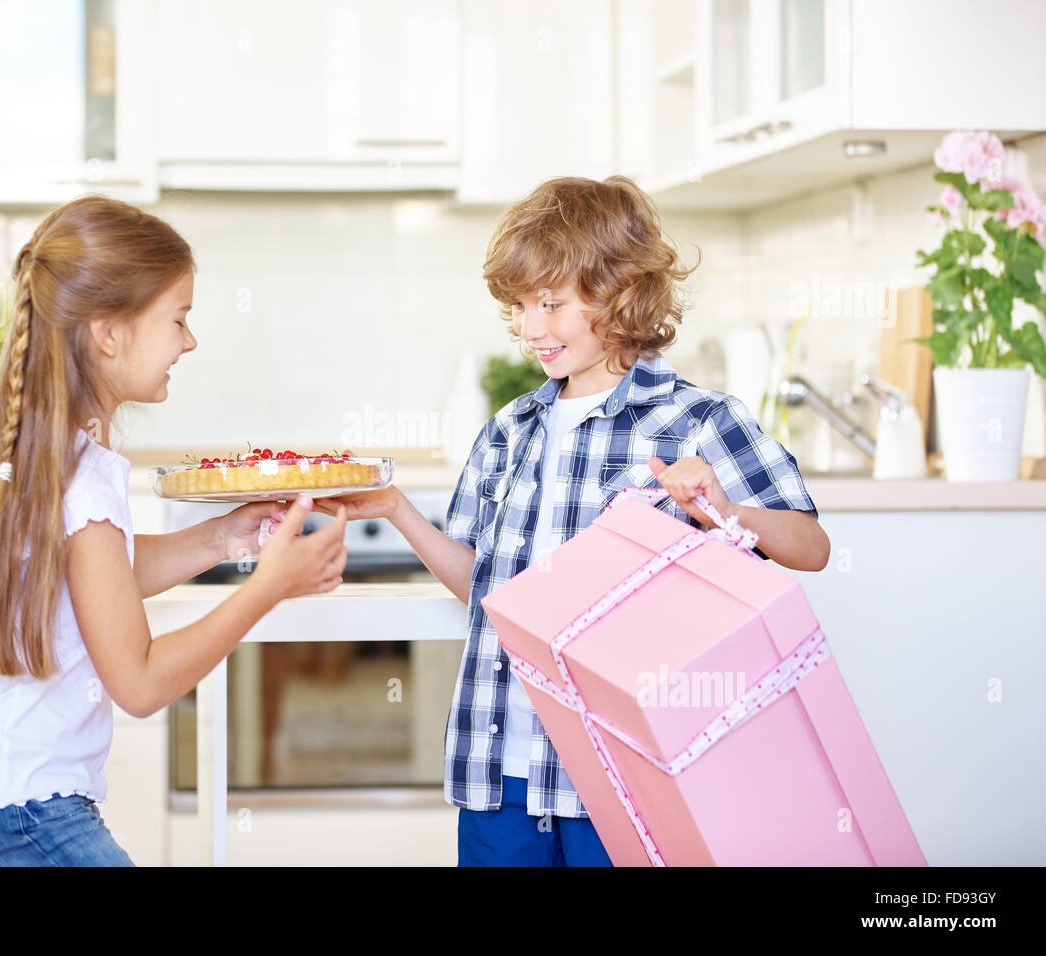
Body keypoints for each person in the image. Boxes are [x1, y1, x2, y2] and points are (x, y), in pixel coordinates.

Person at [313, 175, 830, 866]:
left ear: (622, 292)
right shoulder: (509, 430)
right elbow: (490, 596)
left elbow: (811, 546)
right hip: (500, 767)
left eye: (550, 303)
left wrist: (726, 512)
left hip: (628, 773)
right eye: (520, 307)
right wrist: (399, 512)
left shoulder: (699, 420)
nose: (529, 328)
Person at [0, 195, 347, 866]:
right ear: (108, 333)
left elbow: (97, 579)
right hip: (20, 808)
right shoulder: (84, 474)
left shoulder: (50, 449)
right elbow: (141, 685)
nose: (189, 341)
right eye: (178, 320)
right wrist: (267, 588)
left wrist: (222, 538)